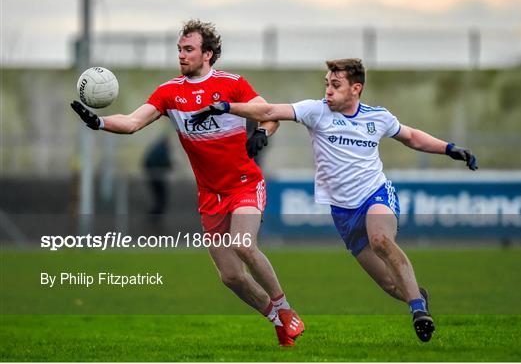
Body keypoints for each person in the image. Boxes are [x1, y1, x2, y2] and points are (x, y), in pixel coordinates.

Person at [190, 58, 478, 343]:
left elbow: (412, 136)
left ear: (356, 88)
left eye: (335, 85)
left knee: (381, 240)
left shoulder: (377, 118)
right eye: (326, 84)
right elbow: (268, 109)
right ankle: (418, 296)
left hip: (375, 195)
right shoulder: (316, 111)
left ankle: (418, 312)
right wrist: (228, 107)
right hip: (343, 212)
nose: (328, 90)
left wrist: (449, 148)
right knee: (390, 284)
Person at [70, 19, 304, 347]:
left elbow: (268, 113)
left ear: (208, 54)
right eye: (179, 49)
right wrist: (100, 122)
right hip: (210, 194)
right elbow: (133, 122)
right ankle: (275, 318)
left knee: (243, 244)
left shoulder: (233, 84)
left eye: (189, 49)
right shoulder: (170, 92)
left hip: (244, 184)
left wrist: (263, 132)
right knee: (231, 276)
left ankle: (286, 308)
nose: (182, 55)